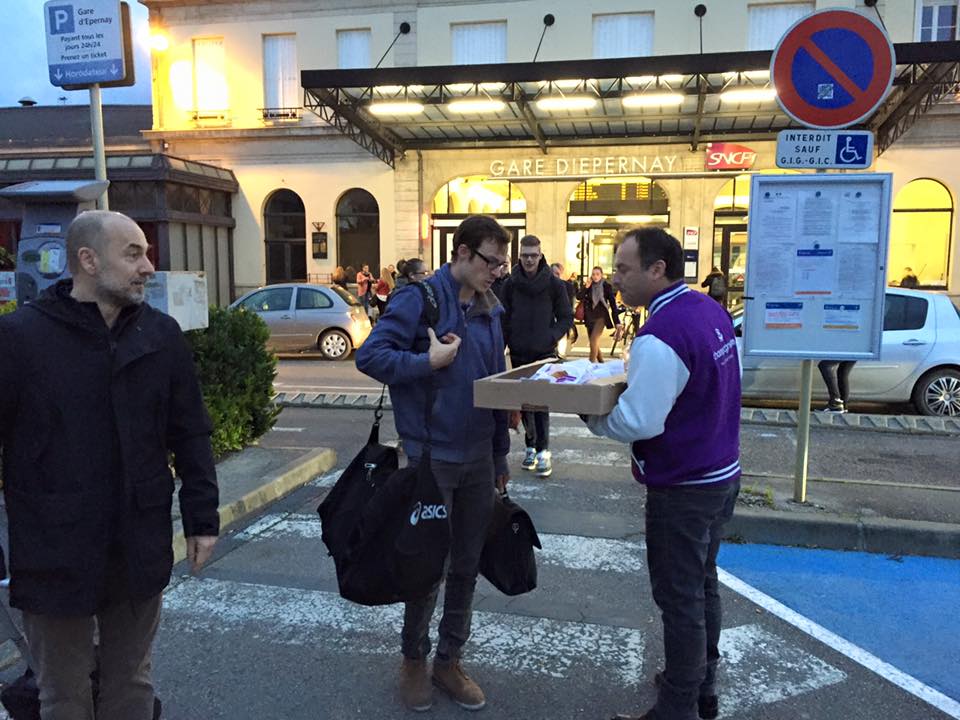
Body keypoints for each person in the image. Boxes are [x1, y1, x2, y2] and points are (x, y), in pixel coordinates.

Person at [0, 210, 220, 720]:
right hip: (52, 547)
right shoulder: (20, 339)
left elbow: (190, 432)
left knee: (131, 686)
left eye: (146, 253)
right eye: (133, 254)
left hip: (136, 543)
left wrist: (202, 519)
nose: (148, 266)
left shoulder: (161, 337)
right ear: (88, 260)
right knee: (63, 694)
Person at [582, 228, 741, 720]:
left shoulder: (660, 333)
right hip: (721, 472)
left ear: (657, 270)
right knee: (703, 583)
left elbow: (641, 420)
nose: (615, 278)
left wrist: (591, 414)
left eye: (624, 268)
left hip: (684, 484)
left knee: (679, 597)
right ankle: (699, 683)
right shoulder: (707, 309)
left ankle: (678, 707)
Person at [356, 214, 511, 714]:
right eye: (491, 261)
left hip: (477, 460)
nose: (497, 271)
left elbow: (493, 379)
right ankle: (413, 661)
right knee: (425, 566)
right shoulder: (419, 299)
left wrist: (500, 454)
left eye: (502, 264)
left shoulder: (489, 305)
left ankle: (449, 660)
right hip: (430, 459)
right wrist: (428, 363)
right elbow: (371, 357)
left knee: (467, 563)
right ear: (462, 253)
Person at [501, 236, 573, 478]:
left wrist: (550, 336)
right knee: (525, 402)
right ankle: (530, 446)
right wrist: (505, 341)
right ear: (519, 256)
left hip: (544, 352)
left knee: (540, 402)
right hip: (519, 350)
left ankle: (543, 450)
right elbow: (504, 316)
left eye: (533, 255)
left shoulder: (554, 285)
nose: (529, 259)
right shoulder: (510, 284)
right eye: (525, 255)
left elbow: (565, 316)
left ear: (541, 255)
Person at [577, 266, 622, 363]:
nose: (595, 276)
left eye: (597, 274)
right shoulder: (589, 286)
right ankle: (601, 363)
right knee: (595, 344)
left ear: (601, 275)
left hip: (601, 317)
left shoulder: (606, 286)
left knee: (593, 340)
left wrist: (617, 322)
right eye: (593, 274)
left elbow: (613, 306)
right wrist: (586, 287)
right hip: (589, 317)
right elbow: (578, 297)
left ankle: (590, 365)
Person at [551, 262, 579, 343]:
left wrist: (570, 324)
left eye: (558, 273)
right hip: (549, 325)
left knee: (561, 352)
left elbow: (569, 306)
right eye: (554, 273)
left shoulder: (567, 287)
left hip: (561, 325)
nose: (556, 276)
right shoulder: (545, 286)